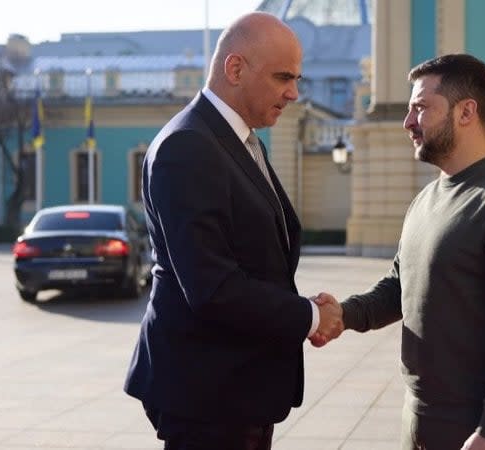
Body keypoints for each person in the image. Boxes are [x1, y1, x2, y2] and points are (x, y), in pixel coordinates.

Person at [311, 54, 485, 450]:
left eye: (421, 108)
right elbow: (400, 286)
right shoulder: (427, 198)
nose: (408, 122)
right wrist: (345, 314)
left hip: (477, 426)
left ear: (466, 112)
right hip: (423, 416)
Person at [124, 12, 343, 450]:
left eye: (297, 78)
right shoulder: (188, 147)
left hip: (235, 390)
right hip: (207, 395)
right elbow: (212, 287)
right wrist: (311, 316)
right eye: (283, 77)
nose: (294, 93)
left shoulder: (240, 138)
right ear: (236, 68)